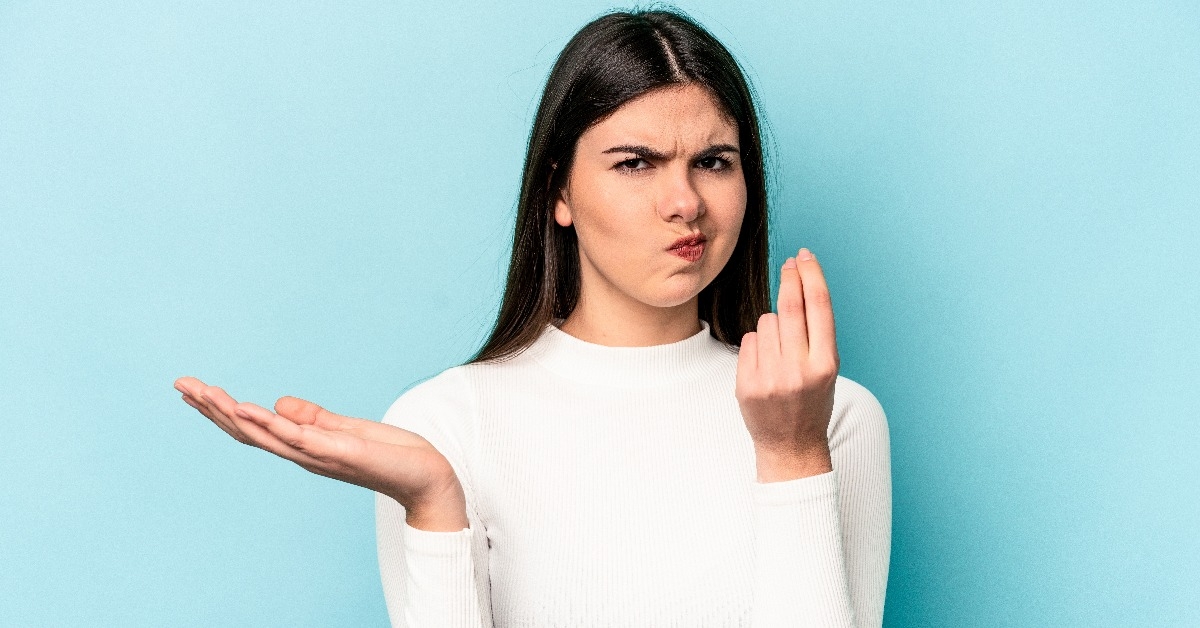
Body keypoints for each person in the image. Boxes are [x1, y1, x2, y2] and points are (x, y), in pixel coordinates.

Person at [174, 7, 891, 627]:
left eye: (713, 161)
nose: (685, 202)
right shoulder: (444, 426)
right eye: (636, 163)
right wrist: (432, 503)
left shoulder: (834, 419)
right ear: (560, 194)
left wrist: (794, 456)